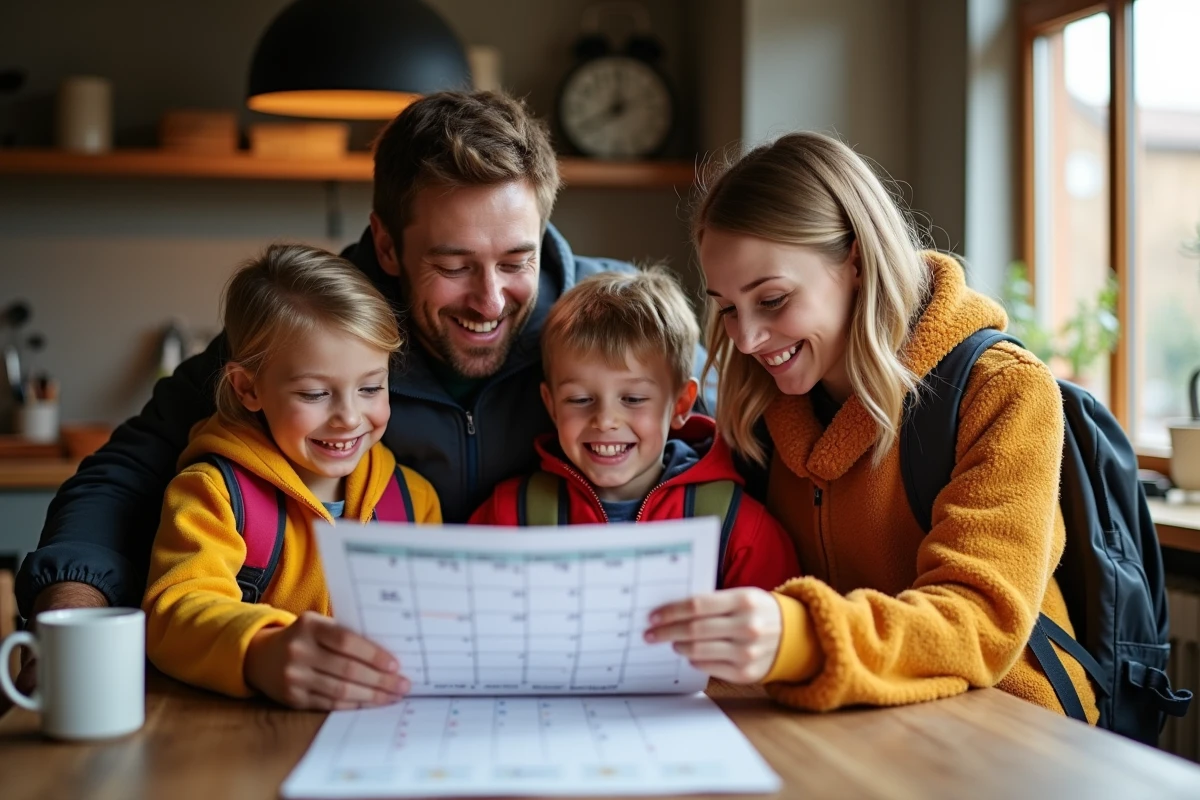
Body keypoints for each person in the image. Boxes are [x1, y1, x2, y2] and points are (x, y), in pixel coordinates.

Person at [9, 90, 708, 709]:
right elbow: (126, 472)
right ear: (387, 244)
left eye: (515, 261)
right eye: (454, 265)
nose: (491, 301)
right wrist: (69, 620)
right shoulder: (315, 325)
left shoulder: (620, 324)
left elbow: (730, 448)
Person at [643, 132, 1098, 721]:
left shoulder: (1002, 388)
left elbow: (981, 620)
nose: (747, 338)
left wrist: (804, 636)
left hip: (1008, 725)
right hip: (842, 721)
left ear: (856, 262)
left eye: (773, 299)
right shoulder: (757, 407)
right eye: (728, 308)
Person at [143, 244, 440, 709]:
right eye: (315, 393)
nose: (349, 417)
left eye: (370, 388)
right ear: (248, 388)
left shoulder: (414, 500)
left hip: (385, 722)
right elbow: (174, 612)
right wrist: (260, 650)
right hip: (251, 732)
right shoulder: (213, 494)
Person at [469, 269, 798, 591]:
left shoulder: (736, 528)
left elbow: (783, 621)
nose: (605, 420)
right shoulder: (508, 517)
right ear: (552, 405)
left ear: (681, 404)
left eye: (633, 399)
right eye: (580, 399)